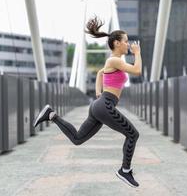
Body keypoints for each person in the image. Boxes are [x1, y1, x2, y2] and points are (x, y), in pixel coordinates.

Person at [33, 16, 142, 188]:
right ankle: (125, 171)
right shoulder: (115, 60)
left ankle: (51, 115)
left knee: (77, 139)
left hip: (101, 105)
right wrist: (137, 53)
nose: (129, 44)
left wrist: (98, 92)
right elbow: (137, 70)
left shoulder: (113, 63)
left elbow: (100, 73)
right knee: (133, 135)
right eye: (126, 41)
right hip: (105, 105)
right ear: (117, 44)